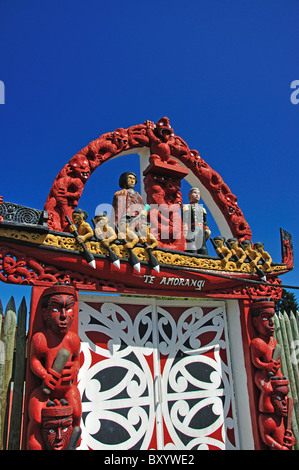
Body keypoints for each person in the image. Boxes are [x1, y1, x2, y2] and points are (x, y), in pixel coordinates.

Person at [182, 187, 211, 255]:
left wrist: (207, 228)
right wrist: (185, 229)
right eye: (195, 193)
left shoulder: (202, 209)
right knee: (192, 247)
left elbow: (205, 221)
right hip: (191, 229)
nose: (197, 195)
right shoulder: (186, 207)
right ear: (190, 195)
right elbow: (185, 220)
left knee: (202, 247)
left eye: (198, 193)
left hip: (201, 229)